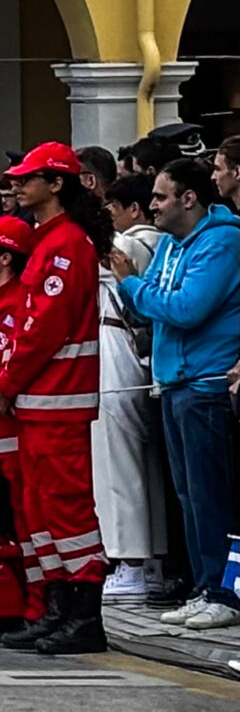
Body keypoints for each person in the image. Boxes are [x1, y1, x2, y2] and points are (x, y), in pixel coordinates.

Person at [0, 142, 110, 654]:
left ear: (57, 184)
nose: (16, 184)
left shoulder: (65, 245)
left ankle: (82, 616)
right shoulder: (48, 241)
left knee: (67, 510)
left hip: (57, 399)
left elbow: (43, 329)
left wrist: (7, 384)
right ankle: (57, 608)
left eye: (27, 178)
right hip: (41, 402)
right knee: (39, 511)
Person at [114, 156, 240, 632]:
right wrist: (139, 290)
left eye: (161, 197)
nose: (152, 206)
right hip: (172, 383)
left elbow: (187, 308)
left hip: (204, 385)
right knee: (188, 496)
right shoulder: (169, 244)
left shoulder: (223, 242)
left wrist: (131, 283)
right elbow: (155, 302)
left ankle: (224, 591)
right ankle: (203, 584)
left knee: (211, 497)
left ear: (190, 198)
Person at [95, 176, 168, 602]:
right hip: (132, 352)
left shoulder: (132, 243)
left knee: (119, 460)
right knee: (141, 463)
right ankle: (149, 562)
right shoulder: (157, 244)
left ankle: (131, 562)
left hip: (116, 347)